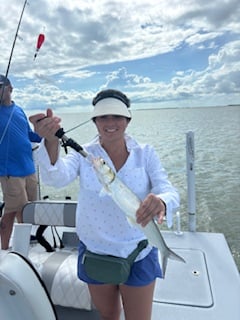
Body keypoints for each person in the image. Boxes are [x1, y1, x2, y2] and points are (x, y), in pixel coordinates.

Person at [29, 89, 180, 320]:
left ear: (127, 119)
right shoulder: (86, 155)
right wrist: (50, 141)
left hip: (138, 250)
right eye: (103, 117)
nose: (110, 122)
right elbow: (55, 178)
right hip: (96, 251)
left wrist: (162, 201)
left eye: (117, 116)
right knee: (108, 315)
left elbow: (168, 190)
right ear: (95, 120)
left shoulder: (145, 153)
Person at [0, 74, 42, 250]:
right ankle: (5, 248)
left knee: (29, 209)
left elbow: (29, 135)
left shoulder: (19, 110)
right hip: (10, 172)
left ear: (10, 88)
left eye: (0, 86)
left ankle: (21, 243)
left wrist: (46, 134)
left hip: (28, 168)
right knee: (14, 210)